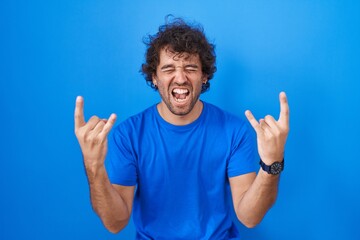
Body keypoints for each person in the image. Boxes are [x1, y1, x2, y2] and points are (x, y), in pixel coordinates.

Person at [74, 17, 289, 239]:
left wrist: (271, 164)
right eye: (168, 69)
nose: (180, 78)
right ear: (154, 77)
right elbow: (115, 223)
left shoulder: (234, 131)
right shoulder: (128, 135)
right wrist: (93, 166)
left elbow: (249, 217)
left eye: (190, 68)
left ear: (204, 76)